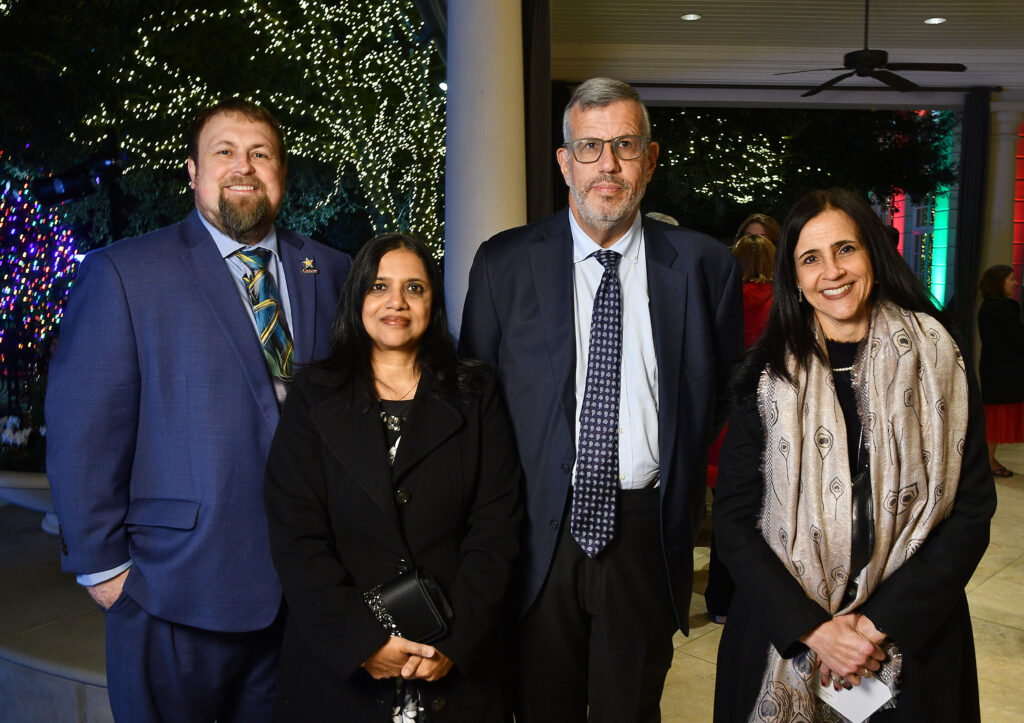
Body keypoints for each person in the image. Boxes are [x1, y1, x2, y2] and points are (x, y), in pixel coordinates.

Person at [45, 98, 352, 722]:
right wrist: (104, 570)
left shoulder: (334, 272)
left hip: (303, 595)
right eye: (225, 152)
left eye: (260, 154)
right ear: (192, 171)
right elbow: (83, 431)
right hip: (172, 589)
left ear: (281, 174)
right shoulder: (124, 273)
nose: (244, 166)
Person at [460, 76, 744, 721]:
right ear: (565, 161)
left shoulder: (705, 267)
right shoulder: (502, 263)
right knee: (538, 707)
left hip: (646, 533)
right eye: (589, 148)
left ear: (650, 157)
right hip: (534, 534)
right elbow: (475, 402)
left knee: (631, 708)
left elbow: (720, 393)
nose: (607, 165)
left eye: (624, 145)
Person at [713, 188, 996, 722]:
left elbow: (973, 511)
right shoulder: (764, 376)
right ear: (794, 279)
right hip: (785, 636)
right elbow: (733, 521)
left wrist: (871, 627)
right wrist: (816, 631)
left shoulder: (940, 359)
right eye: (811, 259)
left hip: (913, 636)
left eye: (845, 249)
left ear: (873, 254)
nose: (832, 272)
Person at [264, 233, 522, 721]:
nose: (396, 303)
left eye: (415, 288)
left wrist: (457, 640)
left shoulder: (477, 392)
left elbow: (497, 529)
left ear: (432, 303)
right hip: (339, 673)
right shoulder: (313, 395)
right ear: (357, 297)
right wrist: (362, 643)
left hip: (452, 666)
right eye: (379, 286)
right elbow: (296, 537)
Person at [705, 232, 776, 622]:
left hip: (723, 418)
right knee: (760, 516)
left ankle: (718, 601)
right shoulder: (780, 304)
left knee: (724, 517)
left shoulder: (722, 297)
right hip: (763, 417)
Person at [977, 264, 1024, 477]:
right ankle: (988, 461)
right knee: (998, 417)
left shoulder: (988, 306)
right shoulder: (1004, 308)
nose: (1015, 283)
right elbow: (1017, 340)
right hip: (1006, 371)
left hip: (993, 368)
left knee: (994, 416)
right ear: (999, 282)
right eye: (1011, 279)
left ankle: (988, 459)